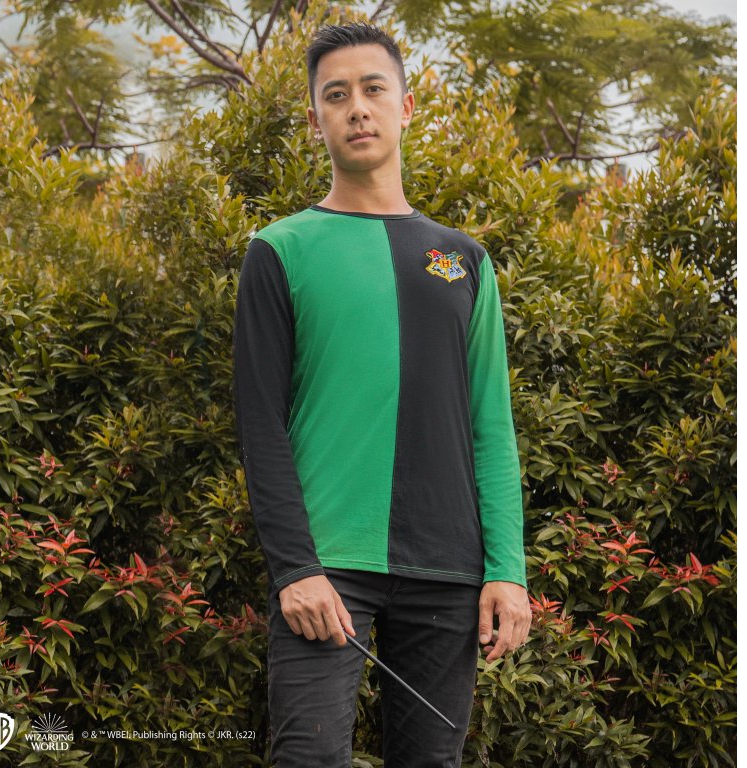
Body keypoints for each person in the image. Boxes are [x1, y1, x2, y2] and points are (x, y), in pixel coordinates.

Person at [232, 21, 532, 767]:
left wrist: (507, 569)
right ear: (316, 121)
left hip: (449, 571)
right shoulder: (280, 250)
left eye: (373, 89)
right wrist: (295, 569)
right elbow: (261, 425)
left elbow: (491, 426)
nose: (357, 108)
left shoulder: (464, 260)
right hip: (327, 568)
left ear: (406, 106)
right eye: (336, 95)